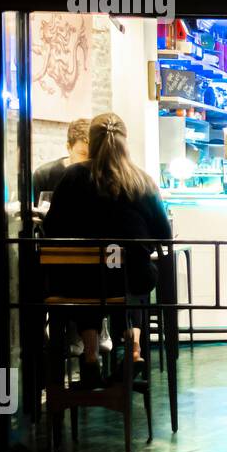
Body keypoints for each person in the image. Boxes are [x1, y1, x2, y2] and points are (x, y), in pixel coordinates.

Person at [44, 113, 172, 389]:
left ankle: (90, 357)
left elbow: (51, 229)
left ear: (91, 142)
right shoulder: (142, 181)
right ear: (125, 143)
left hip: (81, 283)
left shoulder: (72, 177)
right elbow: (165, 234)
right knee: (128, 279)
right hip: (129, 279)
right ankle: (132, 346)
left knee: (90, 274)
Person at [32, 118, 89, 202]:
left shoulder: (99, 176)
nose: (88, 159)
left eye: (93, 154)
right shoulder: (43, 175)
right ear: (69, 148)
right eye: (82, 153)